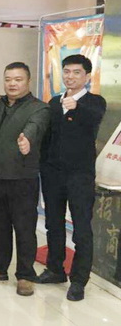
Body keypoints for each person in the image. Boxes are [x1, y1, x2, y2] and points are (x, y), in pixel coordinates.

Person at [0, 62, 50, 297]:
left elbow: (35, 128)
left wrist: (27, 141)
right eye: (8, 79)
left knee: (24, 228)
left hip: (22, 178)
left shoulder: (39, 109)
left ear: (28, 81)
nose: (12, 84)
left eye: (18, 79)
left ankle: (25, 274)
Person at [39, 54, 106, 301]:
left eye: (77, 72)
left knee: (81, 228)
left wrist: (77, 108)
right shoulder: (54, 103)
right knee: (53, 224)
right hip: (53, 174)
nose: (70, 76)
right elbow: (47, 137)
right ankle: (55, 269)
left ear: (87, 76)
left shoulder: (95, 102)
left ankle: (79, 280)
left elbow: (94, 120)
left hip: (80, 176)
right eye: (66, 71)